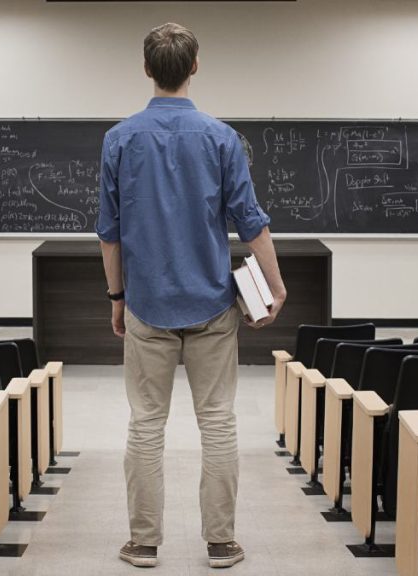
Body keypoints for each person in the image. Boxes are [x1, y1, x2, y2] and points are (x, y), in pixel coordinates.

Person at [96, 22, 287, 570]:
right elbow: (251, 223)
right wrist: (274, 286)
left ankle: (143, 543)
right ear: (195, 67)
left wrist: (117, 298)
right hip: (210, 305)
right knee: (219, 422)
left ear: (147, 69)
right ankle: (222, 543)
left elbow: (109, 233)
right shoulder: (222, 138)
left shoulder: (120, 139)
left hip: (147, 306)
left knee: (145, 425)